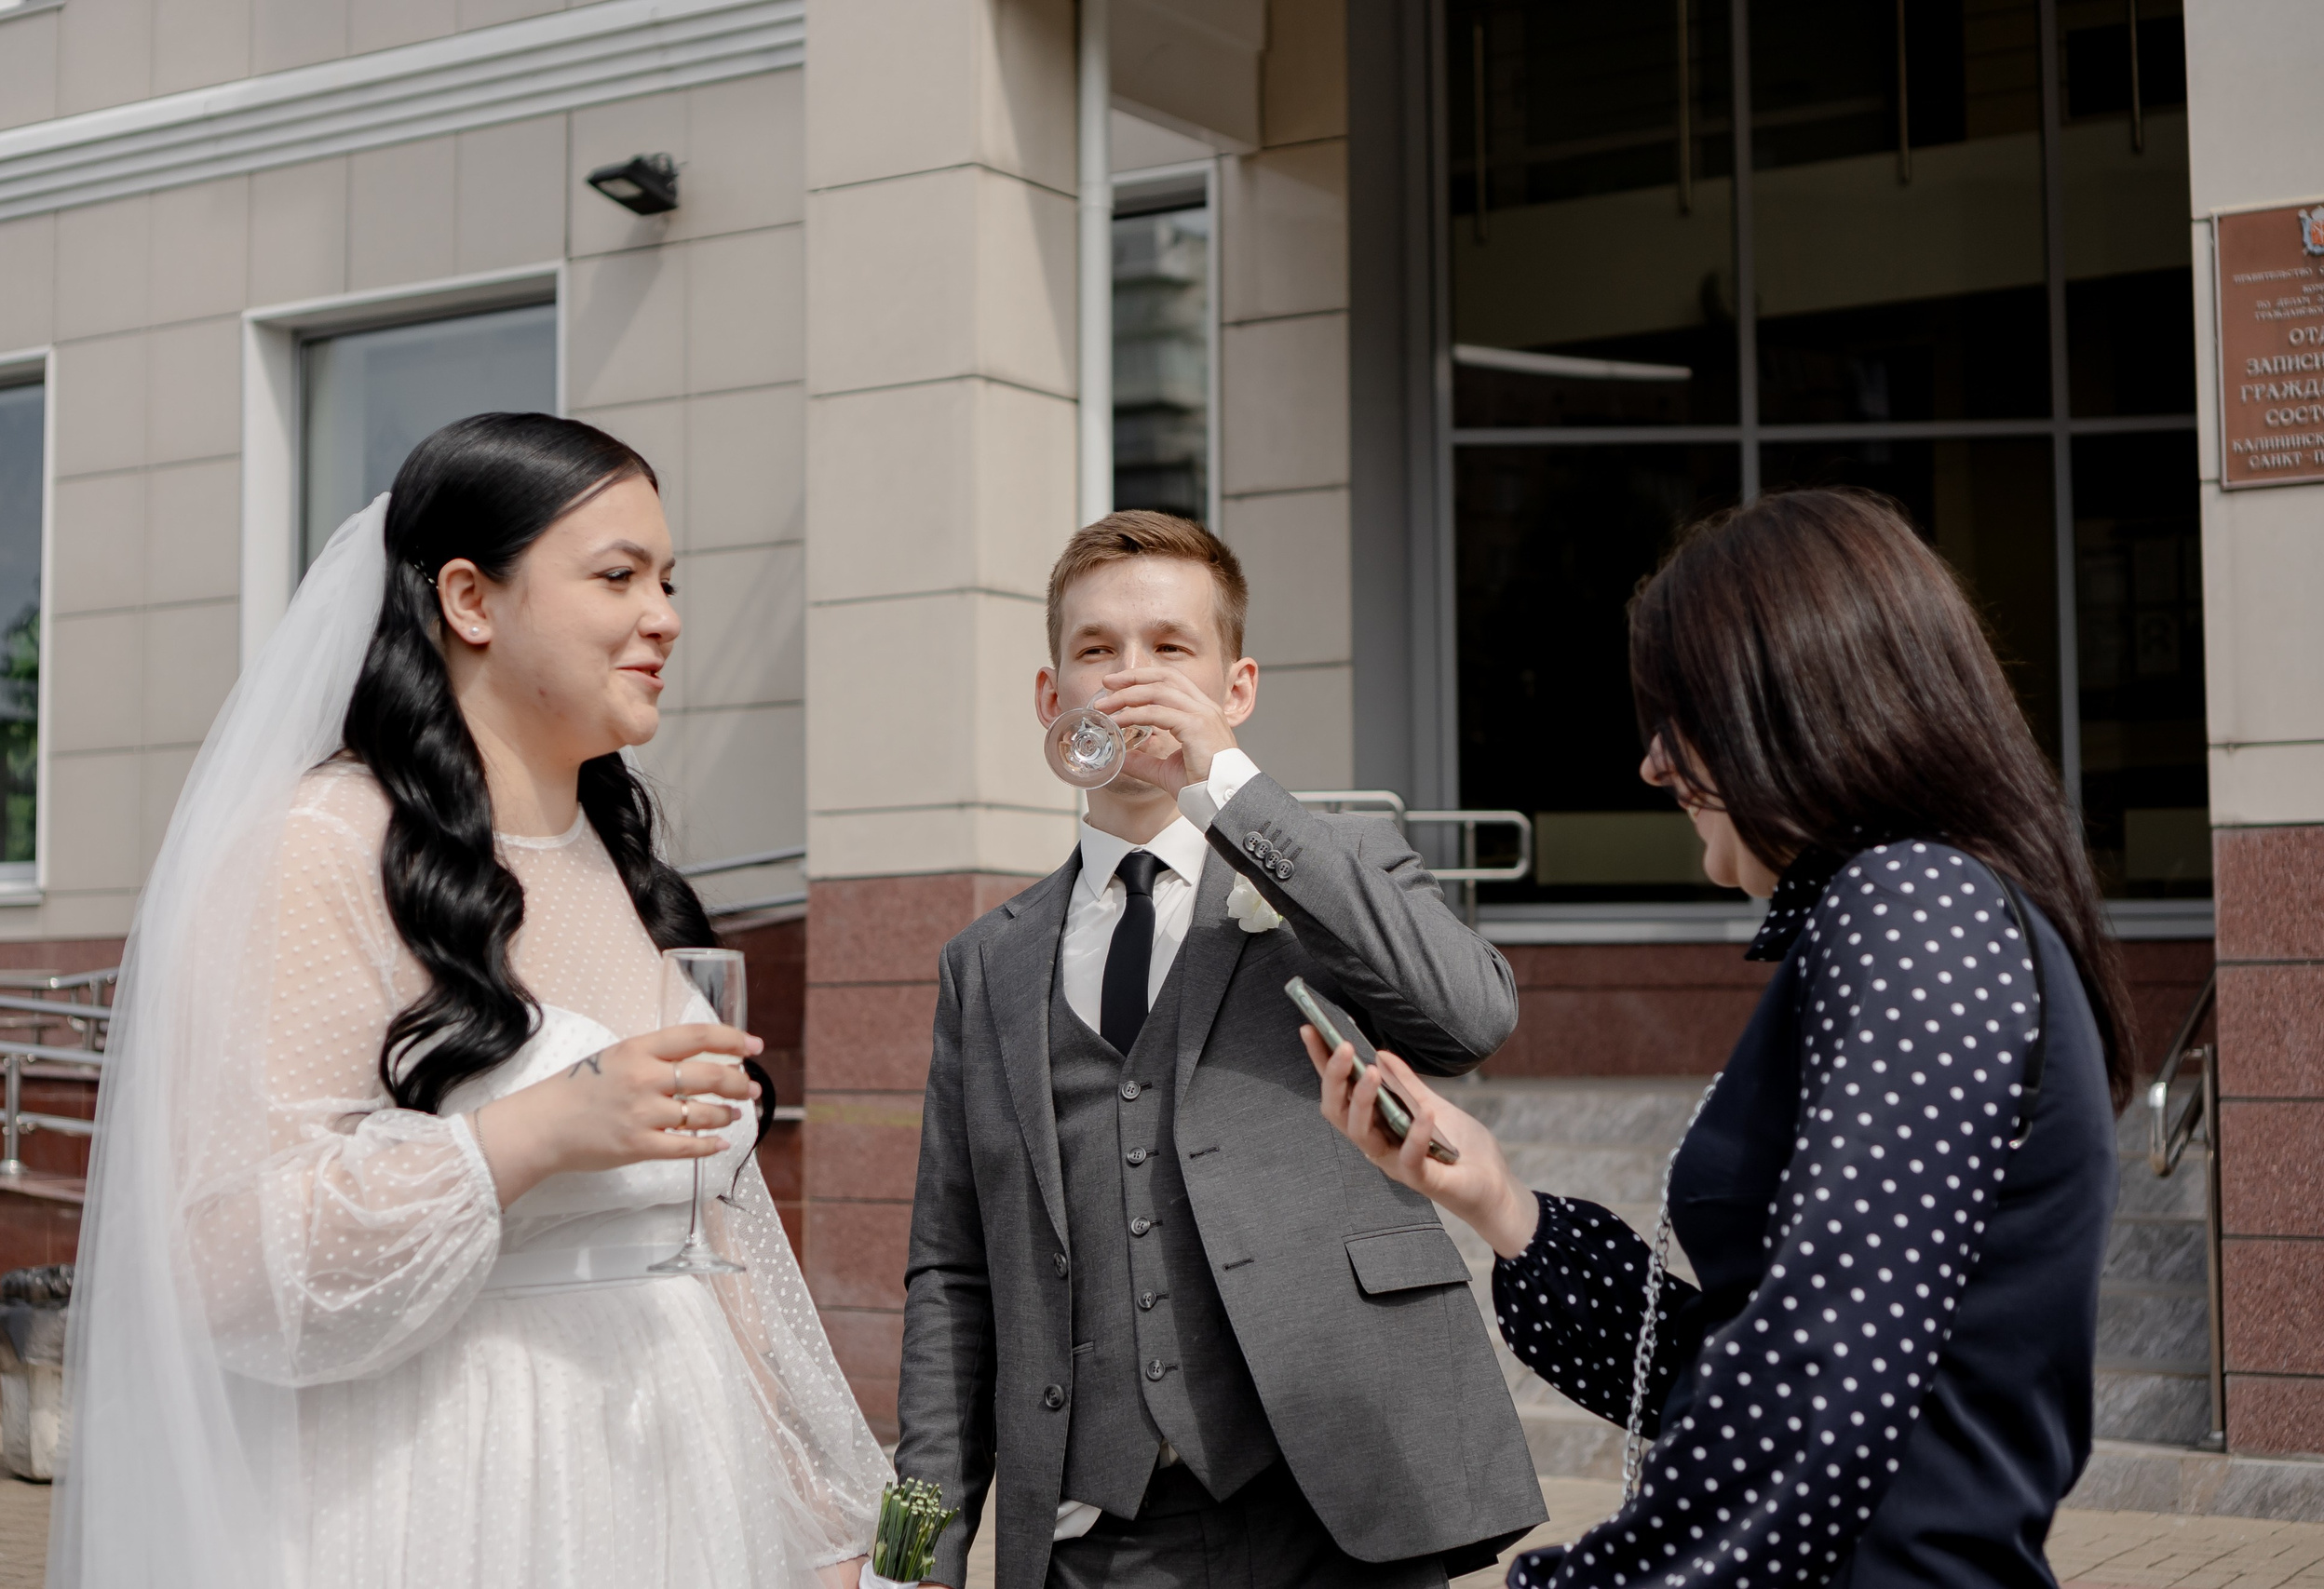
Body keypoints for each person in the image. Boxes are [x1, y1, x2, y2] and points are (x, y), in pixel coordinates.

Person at [50, 414, 890, 1589]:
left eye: (668, 579)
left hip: (686, 1487)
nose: (666, 615)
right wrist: (530, 1135)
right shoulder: (324, 847)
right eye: (617, 576)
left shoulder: (629, 869)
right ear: (470, 599)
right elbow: (225, 1269)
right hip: (458, 1489)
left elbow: (719, 1233)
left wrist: (817, 1517)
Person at [1307, 488, 2130, 1589]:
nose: (1653, 766)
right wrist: (1502, 1207)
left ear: (1789, 706)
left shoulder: (1914, 905)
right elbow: (1738, 1365)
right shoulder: (1905, 907)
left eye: (1677, 718)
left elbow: (1817, 1384)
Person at [895, 511, 1546, 1589]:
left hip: (1348, 1505)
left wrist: (1231, 789)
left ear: (1234, 689)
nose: (1130, 678)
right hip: (1102, 1539)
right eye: (1097, 652)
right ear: (1053, 701)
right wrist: (905, 1558)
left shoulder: (1331, 874)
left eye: (1169, 649)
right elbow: (949, 1279)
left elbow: (1471, 1017)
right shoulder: (984, 966)